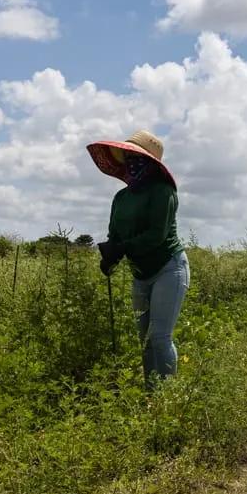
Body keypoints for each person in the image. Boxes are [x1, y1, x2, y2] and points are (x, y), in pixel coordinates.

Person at [86, 130, 190, 390]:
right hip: (140, 272)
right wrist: (110, 256)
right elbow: (115, 234)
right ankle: (150, 394)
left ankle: (167, 398)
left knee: (160, 336)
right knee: (144, 339)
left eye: (137, 157)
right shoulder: (121, 198)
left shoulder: (162, 192)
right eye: (128, 157)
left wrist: (121, 248)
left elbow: (156, 235)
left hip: (168, 267)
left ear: (150, 163)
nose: (131, 162)